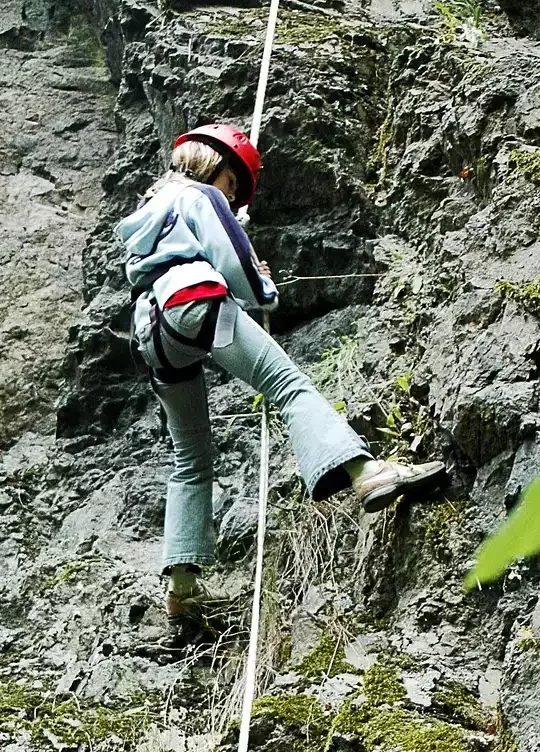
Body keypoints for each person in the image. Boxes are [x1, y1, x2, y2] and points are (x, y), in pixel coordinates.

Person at [115, 123, 445, 644]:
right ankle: (366, 472)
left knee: (190, 456)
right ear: (214, 166)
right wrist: (261, 288)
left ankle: (181, 592)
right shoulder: (200, 195)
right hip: (194, 302)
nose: (231, 195)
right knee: (289, 387)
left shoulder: (151, 206)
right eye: (232, 184)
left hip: (152, 330)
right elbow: (233, 259)